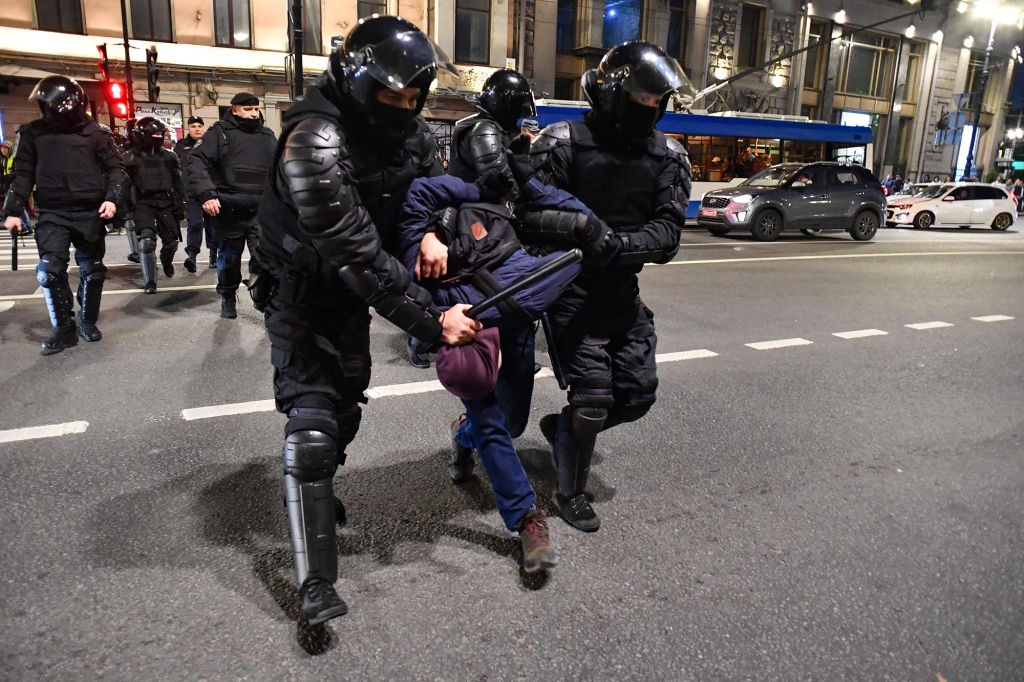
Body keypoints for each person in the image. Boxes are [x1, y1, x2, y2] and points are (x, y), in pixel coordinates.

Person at [254, 15, 481, 625]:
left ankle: (315, 489)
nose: (404, 106)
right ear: (358, 81)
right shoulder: (315, 139)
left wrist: (434, 231)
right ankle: (313, 583)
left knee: (346, 407)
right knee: (313, 422)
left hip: (354, 292)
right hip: (301, 290)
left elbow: (433, 191)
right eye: (391, 94)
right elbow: (354, 253)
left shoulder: (407, 133)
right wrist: (432, 327)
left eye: (414, 96)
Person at [398, 163, 607, 574]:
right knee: (491, 419)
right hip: (463, 319)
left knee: (511, 423)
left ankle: (462, 434)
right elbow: (415, 201)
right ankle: (527, 519)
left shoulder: (494, 192)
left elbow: (427, 193)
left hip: (512, 306)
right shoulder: (411, 242)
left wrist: (437, 228)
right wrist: (438, 317)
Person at [527, 41, 693, 532]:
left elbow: (666, 236)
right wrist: (580, 233)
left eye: (656, 101)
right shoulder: (560, 142)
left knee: (638, 395)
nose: (650, 109)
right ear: (613, 92)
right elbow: (528, 216)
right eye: (641, 98)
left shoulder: (668, 156)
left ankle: (564, 431)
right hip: (570, 293)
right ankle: (569, 491)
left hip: (623, 293)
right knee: (594, 397)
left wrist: (614, 244)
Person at [1, 76, 124, 353]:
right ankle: (63, 329)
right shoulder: (32, 134)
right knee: (48, 271)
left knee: (92, 270)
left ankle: (87, 320)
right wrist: (12, 211)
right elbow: (23, 174)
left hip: (90, 212)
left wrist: (111, 199)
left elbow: (116, 169)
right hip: (53, 212)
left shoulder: (97, 134)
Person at [189, 92, 277, 319]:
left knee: (263, 259)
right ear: (234, 109)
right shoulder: (219, 133)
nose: (253, 113)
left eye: (256, 109)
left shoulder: (267, 136)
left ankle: (263, 300)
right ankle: (228, 296)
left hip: (260, 210)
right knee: (229, 261)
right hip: (228, 210)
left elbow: (280, 169)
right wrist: (207, 194)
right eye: (247, 109)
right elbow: (197, 162)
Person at [123, 117, 186, 294]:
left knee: (172, 242)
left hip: (166, 201)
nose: (159, 137)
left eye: (161, 134)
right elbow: (124, 186)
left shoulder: (169, 156)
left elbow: (177, 181)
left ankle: (166, 261)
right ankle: (150, 282)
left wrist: (182, 202)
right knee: (147, 241)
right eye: (155, 134)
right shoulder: (129, 157)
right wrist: (125, 211)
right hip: (143, 202)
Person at [174, 116, 217, 272]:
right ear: (188, 128)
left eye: (200, 126)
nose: (197, 129)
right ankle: (192, 255)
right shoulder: (180, 147)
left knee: (212, 225)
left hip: (210, 191)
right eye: (193, 126)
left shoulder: (210, 144)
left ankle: (213, 253)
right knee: (194, 223)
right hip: (191, 192)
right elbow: (176, 170)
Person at [1, 140, 34, 236]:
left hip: (15, 186)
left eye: (5, 148)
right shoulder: (4, 159)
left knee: (15, 206)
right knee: (16, 207)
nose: (3, 150)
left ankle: (25, 226)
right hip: (8, 186)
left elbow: (20, 172)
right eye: (2, 148)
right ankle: (25, 226)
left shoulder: (13, 158)